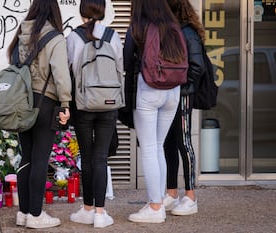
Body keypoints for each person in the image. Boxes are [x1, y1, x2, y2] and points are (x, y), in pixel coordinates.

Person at [10, 0, 72, 229]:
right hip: (46, 102)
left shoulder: (20, 34)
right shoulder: (54, 38)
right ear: (54, 11)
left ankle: (24, 212)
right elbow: (61, 74)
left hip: (22, 101)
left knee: (26, 157)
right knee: (40, 158)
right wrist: (65, 102)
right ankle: (36, 215)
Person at [123, 0, 187, 223]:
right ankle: (157, 199)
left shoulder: (138, 26)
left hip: (149, 88)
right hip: (174, 90)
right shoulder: (173, 25)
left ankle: (155, 207)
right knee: (158, 145)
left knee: (149, 148)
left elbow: (126, 61)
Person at [66, 0, 123, 228]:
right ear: (103, 11)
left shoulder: (73, 37)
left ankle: (88, 208)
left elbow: (69, 68)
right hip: (109, 104)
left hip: (83, 104)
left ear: (81, 14)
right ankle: (100, 213)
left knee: (87, 157)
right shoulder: (113, 36)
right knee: (100, 157)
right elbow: (120, 67)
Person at [162, 0, 206, 216]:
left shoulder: (187, 32)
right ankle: (171, 193)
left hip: (182, 95)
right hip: (170, 95)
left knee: (183, 142)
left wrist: (182, 90)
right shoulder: (173, 31)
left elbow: (198, 67)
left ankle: (190, 196)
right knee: (168, 143)